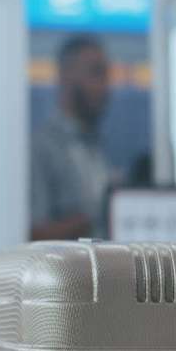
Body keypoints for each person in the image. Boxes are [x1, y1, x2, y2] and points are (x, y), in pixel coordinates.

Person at [30, 33, 115, 240]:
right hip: (68, 271)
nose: (105, 87)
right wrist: (100, 212)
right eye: (96, 73)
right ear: (66, 76)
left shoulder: (94, 146)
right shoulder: (41, 147)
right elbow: (34, 233)